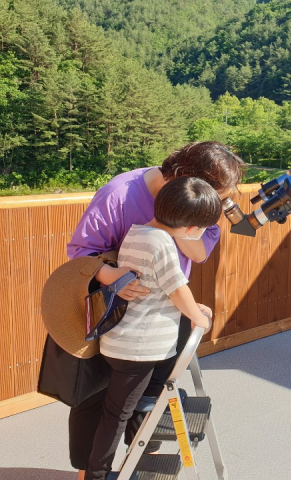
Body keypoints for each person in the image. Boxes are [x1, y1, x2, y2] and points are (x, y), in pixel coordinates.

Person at [64, 141, 245, 479]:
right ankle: (91, 472)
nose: (216, 208)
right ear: (183, 179)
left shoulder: (169, 216)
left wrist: (185, 225)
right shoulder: (119, 194)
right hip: (116, 321)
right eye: (213, 199)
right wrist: (112, 275)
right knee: (102, 403)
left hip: (162, 317)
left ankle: (143, 460)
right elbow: (80, 253)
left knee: (151, 397)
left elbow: (199, 253)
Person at [85, 177, 220, 480]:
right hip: (138, 348)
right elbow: (176, 288)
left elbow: (158, 284)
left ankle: (137, 447)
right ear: (190, 228)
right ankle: (98, 474)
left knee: (125, 409)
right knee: (116, 414)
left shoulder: (139, 232)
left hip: (126, 341)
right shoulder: (161, 243)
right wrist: (199, 318)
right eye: (202, 228)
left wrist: (193, 308)